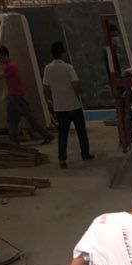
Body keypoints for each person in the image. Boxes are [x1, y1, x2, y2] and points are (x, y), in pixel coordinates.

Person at [42, 41, 95, 169]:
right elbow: (75, 84)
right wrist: (80, 92)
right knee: (81, 132)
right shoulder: (68, 67)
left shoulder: (47, 68)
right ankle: (85, 153)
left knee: (62, 134)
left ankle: (62, 159)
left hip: (59, 107)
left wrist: (48, 100)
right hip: (73, 105)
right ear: (62, 53)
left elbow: (46, 87)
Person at [0, 45, 52, 146]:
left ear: (5, 55)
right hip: (13, 97)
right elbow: (3, 76)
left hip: (17, 97)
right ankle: (14, 140)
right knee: (13, 120)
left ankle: (46, 135)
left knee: (28, 118)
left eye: (0, 57)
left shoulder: (10, 66)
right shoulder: (9, 66)